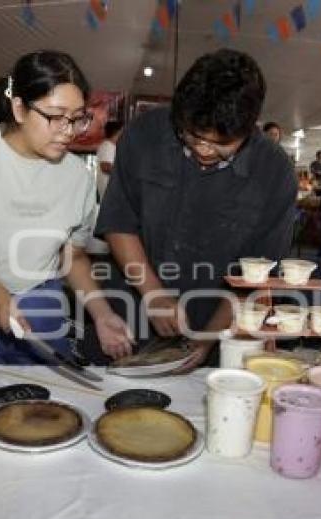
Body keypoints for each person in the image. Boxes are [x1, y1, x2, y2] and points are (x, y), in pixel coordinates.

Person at [0, 50, 133, 364]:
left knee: (45, 403)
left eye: (77, 118)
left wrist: (102, 313)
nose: (68, 131)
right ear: (19, 108)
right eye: (56, 116)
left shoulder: (77, 177)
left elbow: (72, 256)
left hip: (42, 303)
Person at [94, 48, 296, 369]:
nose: (203, 149)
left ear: (249, 127)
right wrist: (153, 294)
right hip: (130, 311)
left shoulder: (274, 173)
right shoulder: (145, 134)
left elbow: (257, 274)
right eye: (191, 136)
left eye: (220, 145)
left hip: (214, 323)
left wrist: (203, 342)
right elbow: (119, 221)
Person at [95, 120, 124, 200]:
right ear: (118, 132)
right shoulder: (108, 146)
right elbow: (105, 167)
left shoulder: (111, 146)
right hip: (110, 192)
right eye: (123, 131)